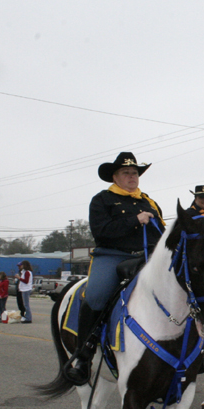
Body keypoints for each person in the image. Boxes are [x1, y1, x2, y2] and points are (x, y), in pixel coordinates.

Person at [64, 151, 164, 384]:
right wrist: (134, 220)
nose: (132, 176)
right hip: (113, 257)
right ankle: (84, 354)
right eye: (126, 173)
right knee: (97, 296)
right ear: (115, 177)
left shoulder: (149, 202)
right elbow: (101, 232)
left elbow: (163, 234)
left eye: (135, 173)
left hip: (147, 259)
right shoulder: (102, 200)